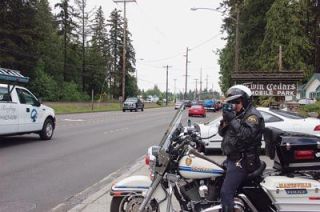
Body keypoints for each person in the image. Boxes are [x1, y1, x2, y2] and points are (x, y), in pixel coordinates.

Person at [218, 85, 265, 212]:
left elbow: (246, 136)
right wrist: (225, 120)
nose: (234, 105)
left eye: (237, 102)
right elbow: (222, 133)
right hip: (233, 159)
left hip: (244, 161)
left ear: (245, 101)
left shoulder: (252, 116)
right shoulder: (239, 114)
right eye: (232, 102)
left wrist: (232, 120)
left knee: (225, 193)